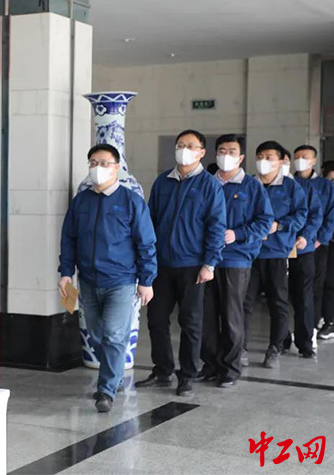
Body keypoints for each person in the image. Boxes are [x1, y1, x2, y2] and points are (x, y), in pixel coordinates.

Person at [59, 144, 157, 413]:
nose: (97, 168)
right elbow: (68, 238)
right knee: (97, 334)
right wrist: (66, 272)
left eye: (103, 163)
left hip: (121, 281)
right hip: (88, 280)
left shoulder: (131, 201)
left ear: (116, 168)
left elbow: (146, 243)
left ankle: (106, 390)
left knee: (114, 335)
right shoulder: (81, 201)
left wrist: (147, 280)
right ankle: (113, 374)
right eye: (93, 163)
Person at [135, 129, 226, 397]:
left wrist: (209, 263)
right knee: (156, 319)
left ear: (201, 152)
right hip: (161, 264)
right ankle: (162, 370)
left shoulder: (209, 185)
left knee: (191, 322)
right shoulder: (163, 181)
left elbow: (216, 227)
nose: (183, 150)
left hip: (192, 265)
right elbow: (149, 222)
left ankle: (187, 375)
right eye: (180, 145)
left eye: (190, 146)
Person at [199, 135, 273, 387]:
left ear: (241, 157)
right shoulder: (206, 183)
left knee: (231, 315)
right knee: (207, 316)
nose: (226, 155)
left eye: (231, 151)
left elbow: (265, 221)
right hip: (205, 258)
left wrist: (238, 233)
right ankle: (210, 365)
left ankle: (230, 369)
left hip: (236, 258)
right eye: (221, 150)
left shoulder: (251, 186)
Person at [242, 141, 307, 369]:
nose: (264, 161)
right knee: (244, 302)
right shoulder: (248, 184)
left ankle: (275, 348)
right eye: (260, 156)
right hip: (248, 253)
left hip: (276, 252)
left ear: (280, 161)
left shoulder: (290, 187)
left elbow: (301, 215)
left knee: (277, 302)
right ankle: (240, 347)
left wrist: (280, 225)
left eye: (269, 157)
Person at [283, 145, 327, 358]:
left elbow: (317, 215)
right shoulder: (268, 186)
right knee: (280, 297)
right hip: (277, 251)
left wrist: (308, 237)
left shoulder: (310, 187)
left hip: (303, 248)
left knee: (304, 296)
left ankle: (305, 342)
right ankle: (280, 340)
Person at [317, 160, 334, 340]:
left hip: (327, 240)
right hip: (327, 241)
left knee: (329, 283)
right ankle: (325, 319)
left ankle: (330, 322)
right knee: (324, 282)